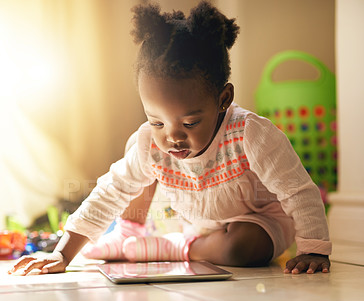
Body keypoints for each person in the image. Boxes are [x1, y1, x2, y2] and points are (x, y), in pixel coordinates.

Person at [9, 1, 331, 276]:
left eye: (190, 122)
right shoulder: (154, 141)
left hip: (257, 221)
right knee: (140, 151)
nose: (173, 136)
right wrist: (62, 254)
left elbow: (298, 190)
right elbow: (112, 190)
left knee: (242, 251)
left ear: (223, 99)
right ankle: (129, 236)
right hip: (199, 220)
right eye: (157, 120)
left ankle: (172, 248)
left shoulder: (251, 134)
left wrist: (314, 249)